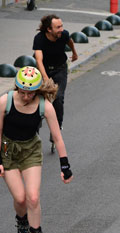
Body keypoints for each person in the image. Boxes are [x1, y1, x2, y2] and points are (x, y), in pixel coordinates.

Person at [0, 66, 73, 233]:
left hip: (31, 150)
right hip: (8, 151)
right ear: (17, 87)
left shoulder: (45, 106)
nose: (26, 97)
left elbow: (57, 137)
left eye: (30, 93)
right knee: (20, 199)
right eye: (22, 91)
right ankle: (22, 223)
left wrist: (65, 165)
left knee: (33, 197)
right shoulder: (5, 101)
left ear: (37, 91)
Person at [33, 14, 78, 153]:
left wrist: (74, 53)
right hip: (43, 70)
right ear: (48, 29)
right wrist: (45, 78)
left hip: (60, 69)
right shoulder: (39, 39)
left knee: (58, 98)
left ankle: (56, 129)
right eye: (58, 27)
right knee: (37, 100)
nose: (61, 29)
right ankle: (34, 130)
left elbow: (69, 41)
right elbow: (38, 60)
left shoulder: (63, 35)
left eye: (62, 26)